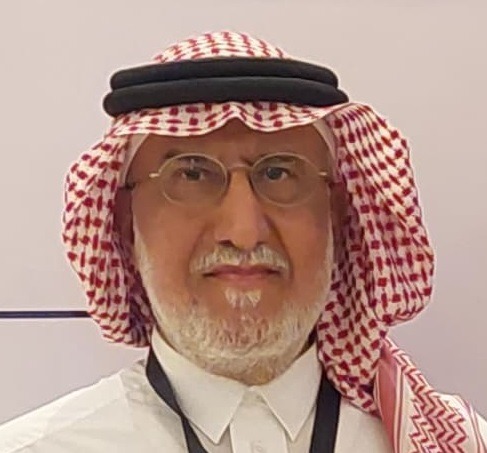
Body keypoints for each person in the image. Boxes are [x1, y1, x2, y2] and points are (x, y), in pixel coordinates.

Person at [0, 31, 485, 453]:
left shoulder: (446, 442)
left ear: (337, 214)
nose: (243, 230)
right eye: (191, 174)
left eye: (279, 173)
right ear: (125, 222)